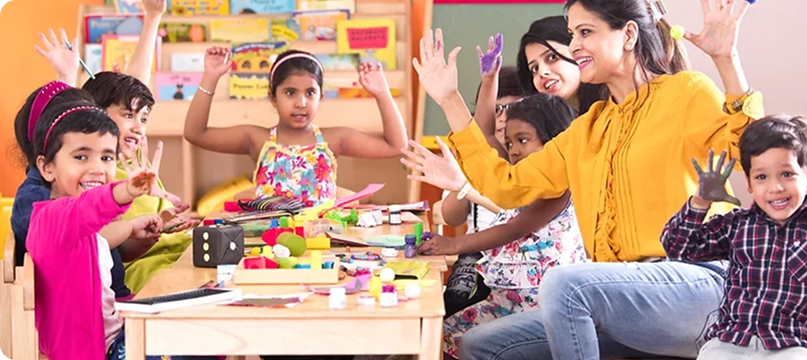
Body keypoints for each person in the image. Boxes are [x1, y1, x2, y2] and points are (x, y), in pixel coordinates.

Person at [405, 0, 764, 357]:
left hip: (699, 282)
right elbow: (506, 185)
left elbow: (750, 153)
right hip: (615, 293)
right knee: (482, 344)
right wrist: (450, 99)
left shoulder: (686, 91)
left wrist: (725, 60)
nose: (574, 44)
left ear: (628, 34)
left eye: (585, 31)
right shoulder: (588, 128)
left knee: (565, 282)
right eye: (572, 33)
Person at [662, 115, 807, 360]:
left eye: (786, 174)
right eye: (762, 177)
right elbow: (678, 248)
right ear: (748, 182)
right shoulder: (736, 224)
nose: (775, 187)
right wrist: (700, 201)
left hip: (792, 345)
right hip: (730, 341)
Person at [25, 99, 211, 360]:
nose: (98, 169)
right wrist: (127, 190)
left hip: (117, 334)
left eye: (106, 157)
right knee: (203, 342)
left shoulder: (80, 225)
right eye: (81, 157)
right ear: (47, 167)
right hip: (96, 352)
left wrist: (136, 229)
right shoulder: (51, 219)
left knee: (207, 331)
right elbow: (89, 208)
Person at [412, 93, 589, 358]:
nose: (514, 150)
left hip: (538, 305)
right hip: (509, 298)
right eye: (510, 142)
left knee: (449, 337)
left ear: (555, 141)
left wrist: (453, 243)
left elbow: (513, 229)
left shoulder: (558, 189)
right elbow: (485, 139)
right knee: (441, 333)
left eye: (523, 140)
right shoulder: (523, 185)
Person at [184, 47, 408, 206]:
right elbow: (195, 134)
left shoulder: (334, 139)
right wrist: (210, 77)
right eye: (290, 92)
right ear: (273, 97)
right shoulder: (257, 139)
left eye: (310, 93)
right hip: (268, 243)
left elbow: (397, 146)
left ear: (321, 96)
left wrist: (382, 93)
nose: (301, 103)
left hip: (323, 243)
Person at [439, 66, 522, 318]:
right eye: (496, 109)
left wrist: (465, 186)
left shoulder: (536, 157)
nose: (503, 119)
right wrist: (462, 180)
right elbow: (451, 217)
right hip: (477, 249)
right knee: (456, 301)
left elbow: (519, 217)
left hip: (524, 252)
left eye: (515, 109)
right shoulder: (473, 155)